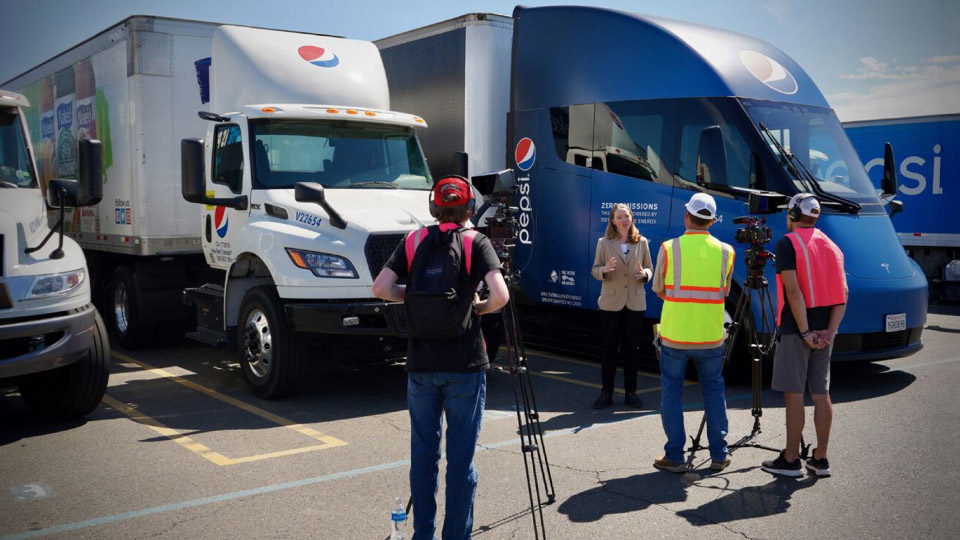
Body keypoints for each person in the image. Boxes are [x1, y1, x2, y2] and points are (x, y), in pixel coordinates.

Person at [372, 175, 510, 540]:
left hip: (421, 365)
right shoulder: (474, 242)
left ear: (434, 207)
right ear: (469, 209)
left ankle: (422, 535)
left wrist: (415, 296)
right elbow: (501, 296)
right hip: (465, 364)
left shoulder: (414, 240)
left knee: (424, 457)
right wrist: (476, 307)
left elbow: (380, 288)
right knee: (460, 461)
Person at [761, 193, 846, 478]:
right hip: (826, 331)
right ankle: (820, 459)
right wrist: (830, 331)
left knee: (794, 394)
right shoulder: (832, 246)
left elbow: (793, 292)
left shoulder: (788, 243)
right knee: (821, 393)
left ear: (794, 216)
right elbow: (842, 294)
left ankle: (791, 459)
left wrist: (805, 331)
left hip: (798, 329)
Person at [650, 192, 735, 473]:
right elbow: (723, 291)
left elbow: (660, 289)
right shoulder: (727, 251)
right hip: (711, 335)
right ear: (711, 221)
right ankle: (719, 453)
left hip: (675, 333)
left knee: (672, 392)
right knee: (713, 390)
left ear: (686, 216)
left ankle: (674, 455)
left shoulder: (668, 248)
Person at [590, 203, 653, 409]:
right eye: (620, 217)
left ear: (631, 218)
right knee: (609, 349)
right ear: (613, 221)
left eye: (627, 216)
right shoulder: (604, 242)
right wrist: (605, 270)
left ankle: (631, 393)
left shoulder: (642, 242)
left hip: (635, 301)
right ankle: (606, 393)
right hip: (610, 302)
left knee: (632, 349)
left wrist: (645, 274)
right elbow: (595, 269)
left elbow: (650, 268)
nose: (624, 220)